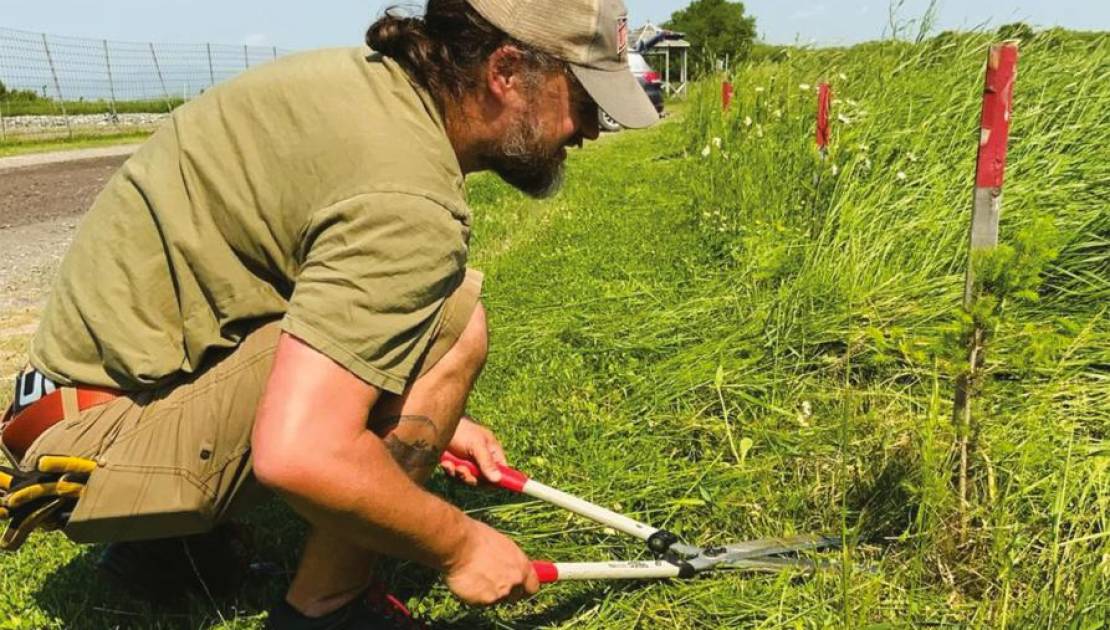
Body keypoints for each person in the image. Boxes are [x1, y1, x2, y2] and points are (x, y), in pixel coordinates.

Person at [0, 0, 656, 627]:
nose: (594, 129)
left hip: (53, 415)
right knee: (454, 323)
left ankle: (168, 551)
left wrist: (419, 416)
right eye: (583, 100)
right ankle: (326, 611)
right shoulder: (407, 197)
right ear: (505, 72)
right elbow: (300, 453)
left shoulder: (363, 88)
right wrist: (461, 545)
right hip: (87, 459)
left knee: (392, 337)